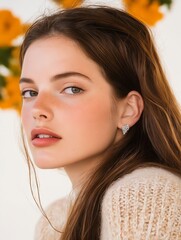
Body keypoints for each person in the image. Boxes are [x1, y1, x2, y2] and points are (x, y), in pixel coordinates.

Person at [19, 6, 181, 240]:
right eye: (30, 92)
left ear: (128, 110)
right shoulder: (54, 220)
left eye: (71, 89)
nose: (38, 110)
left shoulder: (146, 193)